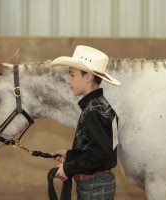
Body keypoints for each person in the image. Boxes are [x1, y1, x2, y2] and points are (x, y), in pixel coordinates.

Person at [50, 45, 121, 200]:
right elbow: (99, 148)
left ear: (88, 77)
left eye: (72, 75)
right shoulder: (101, 105)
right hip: (99, 184)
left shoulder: (92, 110)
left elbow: (101, 153)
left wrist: (69, 168)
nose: (69, 81)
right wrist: (70, 155)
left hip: (94, 187)